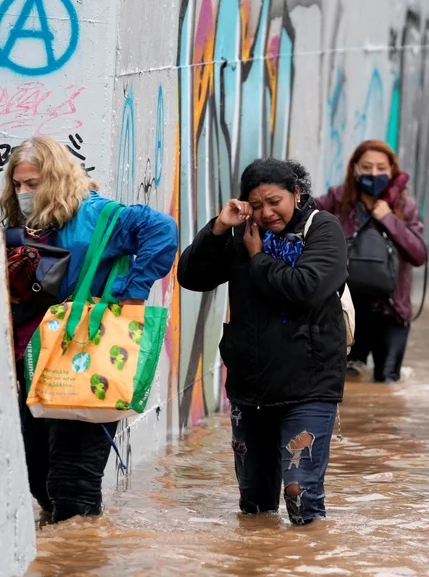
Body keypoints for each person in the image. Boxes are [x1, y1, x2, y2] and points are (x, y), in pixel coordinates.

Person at [0, 135, 177, 523]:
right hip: (32, 364)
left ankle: (79, 555)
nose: (24, 192)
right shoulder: (20, 224)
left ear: (57, 177)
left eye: (33, 183)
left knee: (73, 483)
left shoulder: (94, 214)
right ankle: (67, 548)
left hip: (85, 359)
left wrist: (129, 291)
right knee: (37, 476)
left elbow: (161, 229)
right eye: (18, 184)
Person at [178, 158, 347, 525]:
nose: (267, 212)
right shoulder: (242, 234)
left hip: (310, 385)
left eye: (275, 201)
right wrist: (220, 228)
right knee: (254, 508)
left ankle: (306, 564)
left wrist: (258, 259)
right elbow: (191, 276)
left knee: (299, 494)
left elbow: (307, 287)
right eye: (256, 205)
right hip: (250, 388)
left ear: (296, 194)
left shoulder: (323, 229)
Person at [315, 140, 427, 384]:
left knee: (386, 383)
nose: (374, 174)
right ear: (355, 168)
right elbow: (303, 214)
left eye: (380, 168)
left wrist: (388, 218)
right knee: (342, 382)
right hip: (347, 309)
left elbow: (419, 255)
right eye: (366, 167)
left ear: (392, 171)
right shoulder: (337, 199)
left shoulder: (404, 207)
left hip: (391, 310)